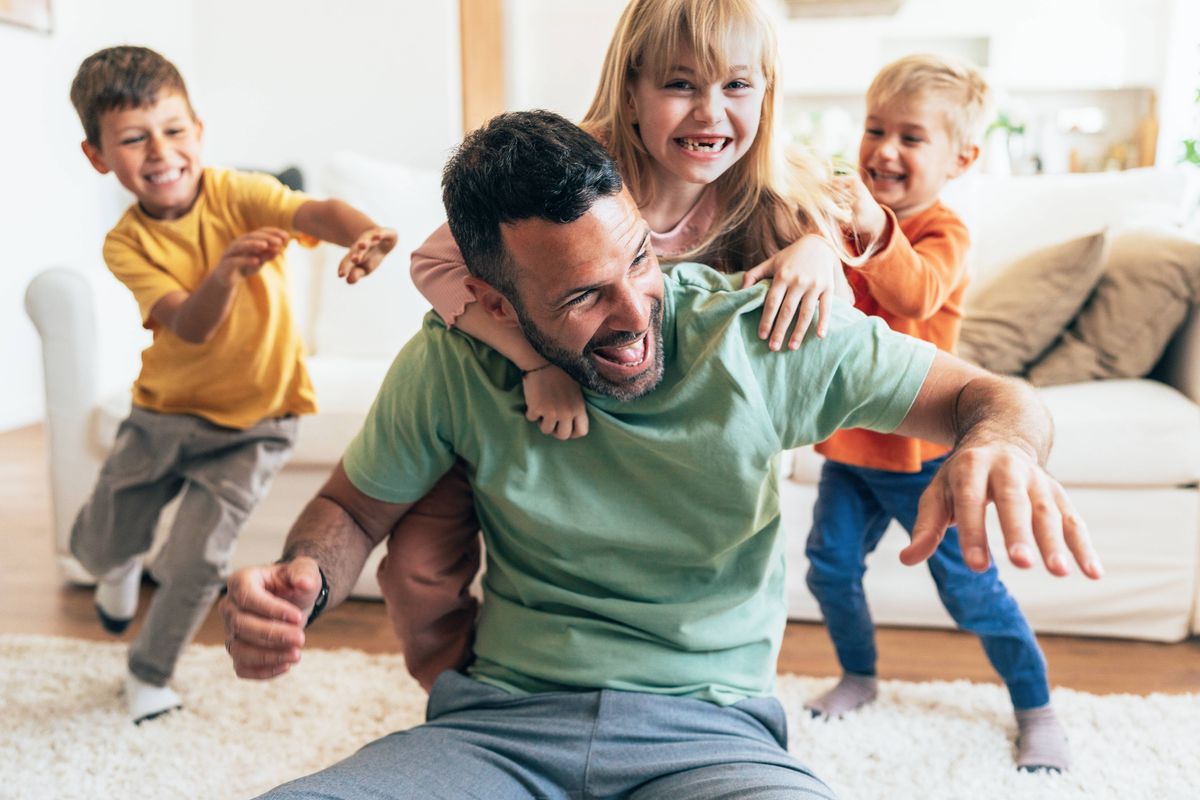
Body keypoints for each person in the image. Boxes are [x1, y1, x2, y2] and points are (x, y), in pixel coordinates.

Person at [220, 110, 1102, 800]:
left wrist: (1002, 445)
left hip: (713, 734)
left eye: (639, 259)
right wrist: (302, 576)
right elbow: (352, 510)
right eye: (582, 296)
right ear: (491, 301)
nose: (638, 314)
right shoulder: (453, 360)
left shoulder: (760, 335)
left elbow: (996, 398)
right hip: (496, 728)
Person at [389, 0, 858, 690]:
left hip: (661, 447)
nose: (708, 112)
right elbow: (433, 263)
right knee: (418, 564)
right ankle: (469, 692)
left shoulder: (772, 190)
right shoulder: (580, 171)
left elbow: (837, 336)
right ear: (631, 92)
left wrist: (820, 252)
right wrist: (534, 362)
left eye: (735, 86)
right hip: (526, 416)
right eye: (679, 85)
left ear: (766, 94)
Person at [67, 45, 398, 723]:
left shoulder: (239, 193)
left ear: (199, 130)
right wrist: (226, 273)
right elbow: (189, 325)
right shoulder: (124, 244)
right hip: (162, 415)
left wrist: (365, 233)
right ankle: (120, 563)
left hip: (256, 426)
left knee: (194, 563)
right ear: (99, 157)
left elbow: (316, 213)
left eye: (174, 129)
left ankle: (148, 676)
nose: (160, 151)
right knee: (101, 546)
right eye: (133, 139)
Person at [801, 54, 1073, 773]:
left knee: (971, 592)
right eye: (874, 129)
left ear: (961, 158)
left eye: (911, 138)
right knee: (828, 570)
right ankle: (858, 675)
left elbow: (915, 294)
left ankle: (1036, 707)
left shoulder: (940, 232)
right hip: (849, 450)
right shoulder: (848, 222)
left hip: (925, 460)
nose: (885, 151)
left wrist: (872, 227)